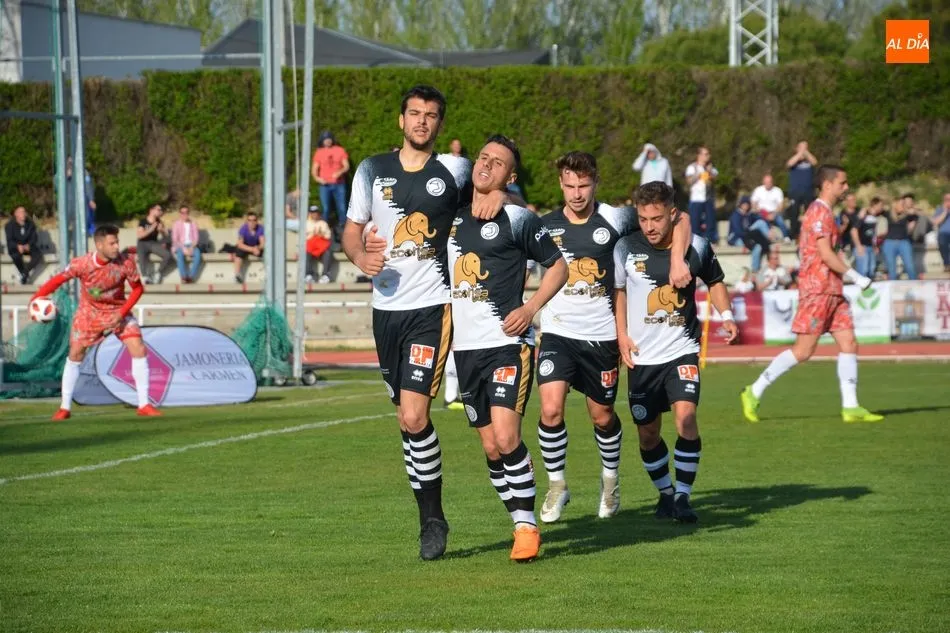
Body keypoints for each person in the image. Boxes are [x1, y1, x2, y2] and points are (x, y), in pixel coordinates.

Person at [342, 84, 513, 561]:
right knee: (406, 420)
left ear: (439, 124)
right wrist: (361, 258)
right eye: (414, 113)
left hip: (432, 308)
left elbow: (492, 182)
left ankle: (432, 520)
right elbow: (352, 232)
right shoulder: (372, 170)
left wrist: (497, 192)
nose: (422, 121)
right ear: (401, 120)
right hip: (385, 311)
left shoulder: (455, 170)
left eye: (431, 115)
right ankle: (431, 515)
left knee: (415, 414)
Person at [534, 151, 692, 525]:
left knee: (602, 416)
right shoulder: (544, 224)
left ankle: (610, 479)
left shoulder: (616, 217)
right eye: (570, 185)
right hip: (558, 332)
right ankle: (557, 484)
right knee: (551, 409)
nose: (576, 194)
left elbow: (680, 218)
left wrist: (678, 258)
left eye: (584, 186)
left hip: (602, 337)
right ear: (561, 184)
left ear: (596, 183)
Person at [448, 135, 567, 561]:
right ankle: (518, 509)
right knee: (491, 448)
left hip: (507, 344)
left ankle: (526, 526)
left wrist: (532, 306)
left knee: (506, 434)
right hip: (465, 350)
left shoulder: (520, 218)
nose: (486, 166)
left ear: (510, 176)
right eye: (483, 158)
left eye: (498, 164)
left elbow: (559, 267)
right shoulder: (452, 214)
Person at [614, 181, 737, 523]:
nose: (649, 226)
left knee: (686, 419)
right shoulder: (625, 247)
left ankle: (683, 496)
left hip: (681, 351)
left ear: (672, 214)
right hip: (641, 357)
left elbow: (715, 281)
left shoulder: (695, 247)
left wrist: (726, 316)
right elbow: (619, 293)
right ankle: (665, 494)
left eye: (656, 218)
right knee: (648, 432)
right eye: (643, 219)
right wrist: (621, 336)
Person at [741, 165, 883, 424]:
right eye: (843, 182)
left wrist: (846, 275)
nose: (846, 187)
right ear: (828, 184)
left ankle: (850, 407)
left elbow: (833, 252)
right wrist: (856, 276)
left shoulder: (829, 213)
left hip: (833, 290)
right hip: (817, 289)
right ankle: (754, 391)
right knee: (804, 351)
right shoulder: (818, 212)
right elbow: (826, 254)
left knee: (849, 343)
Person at [30, 225, 160, 420]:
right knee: (75, 355)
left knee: (138, 348)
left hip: (118, 311)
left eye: (117, 242)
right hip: (89, 313)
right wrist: (36, 297)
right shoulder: (81, 264)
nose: (117, 246)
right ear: (99, 245)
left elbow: (138, 289)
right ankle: (64, 408)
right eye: (112, 243)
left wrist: (121, 313)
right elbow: (58, 280)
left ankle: (144, 404)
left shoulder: (126, 263)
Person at [311, 131, 350, 235]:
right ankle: (325, 229)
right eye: (325, 139)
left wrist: (339, 172)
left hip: (339, 184)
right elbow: (314, 170)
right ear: (322, 141)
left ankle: (344, 229)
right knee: (326, 208)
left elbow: (346, 166)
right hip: (325, 185)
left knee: (342, 207)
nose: (328, 141)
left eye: (329, 138)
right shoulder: (319, 152)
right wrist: (318, 179)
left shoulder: (340, 150)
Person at [727, 195, 772, 272]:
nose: (746, 206)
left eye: (747, 204)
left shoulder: (749, 214)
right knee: (757, 247)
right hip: (736, 238)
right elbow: (738, 231)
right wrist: (750, 238)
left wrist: (770, 227)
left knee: (760, 223)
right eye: (744, 204)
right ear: (740, 204)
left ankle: (769, 238)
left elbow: (760, 219)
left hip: (747, 235)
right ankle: (755, 270)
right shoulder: (736, 215)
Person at [684, 146, 719, 243]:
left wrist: (708, 171)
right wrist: (698, 175)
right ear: (699, 155)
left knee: (710, 221)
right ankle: (695, 242)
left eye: (708, 154)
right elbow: (689, 181)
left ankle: (710, 241)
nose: (708, 156)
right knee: (695, 222)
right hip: (696, 199)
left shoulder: (711, 168)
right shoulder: (692, 167)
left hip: (708, 198)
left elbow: (715, 178)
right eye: (706, 154)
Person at [785, 140, 818, 240]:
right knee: (794, 214)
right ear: (797, 148)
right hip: (795, 192)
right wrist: (800, 153)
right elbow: (789, 164)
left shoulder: (809, 161)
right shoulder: (794, 161)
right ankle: (793, 235)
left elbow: (815, 162)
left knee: (810, 214)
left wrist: (806, 152)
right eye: (801, 147)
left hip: (808, 192)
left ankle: (811, 234)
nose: (804, 150)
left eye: (806, 147)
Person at [5, 205, 44, 284]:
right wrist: (18, 246)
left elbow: (34, 238)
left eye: (24, 212)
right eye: (21, 212)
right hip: (16, 247)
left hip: (28, 246)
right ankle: (24, 276)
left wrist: (28, 245)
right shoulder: (9, 225)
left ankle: (24, 273)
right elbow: (9, 240)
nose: (24, 214)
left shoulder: (30, 224)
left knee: (38, 255)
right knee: (15, 255)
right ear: (16, 214)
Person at [881, 195, 917, 280]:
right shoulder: (888, 213)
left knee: (910, 266)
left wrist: (911, 210)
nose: (903, 205)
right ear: (895, 204)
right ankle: (891, 288)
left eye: (904, 204)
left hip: (903, 242)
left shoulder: (907, 215)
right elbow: (878, 210)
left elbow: (914, 218)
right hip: (889, 242)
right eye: (901, 204)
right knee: (891, 269)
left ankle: (915, 285)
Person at [136, 204, 173, 284]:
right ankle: (144, 276)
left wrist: (162, 230)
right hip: (142, 243)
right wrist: (151, 229)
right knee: (142, 259)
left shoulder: (159, 222)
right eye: (158, 210)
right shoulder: (143, 221)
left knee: (168, 255)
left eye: (161, 210)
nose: (160, 212)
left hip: (153, 243)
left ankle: (157, 273)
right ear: (151, 210)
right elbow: (139, 235)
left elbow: (167, 236)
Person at [850, 197, 884, 279]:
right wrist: (858, 246)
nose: (882, 208)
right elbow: (853, 230)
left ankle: (869, 290)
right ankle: (860, 290)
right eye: (880, 205)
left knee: (871, 270)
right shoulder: (864, 213)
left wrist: (875, 246)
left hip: (870, 247)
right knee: (863, 271)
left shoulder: (875, 217)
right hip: (862, 246)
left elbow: (873, 233)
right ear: (874, 205)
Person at [750, 173, 790, 241]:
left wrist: (774, 214)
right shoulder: (758, 190)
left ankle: (786, 237)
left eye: (769, 182)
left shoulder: (777, 190)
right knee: (757, 218)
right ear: (763, 182)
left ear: (772, 182)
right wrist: (756, 209)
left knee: (780, 221)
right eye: (766, 182)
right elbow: (753, 202)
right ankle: (767, 236)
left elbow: (780, 205)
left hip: (774, 212)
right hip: (761, 212)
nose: (768, 184)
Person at [171, 205, 201, 283]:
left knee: (198, 254)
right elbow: (175, 239)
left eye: (186, 212)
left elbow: (196, 238)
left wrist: (191, 247)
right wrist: (183, 248)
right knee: (180, 254)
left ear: (188, 213)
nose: (185, 214)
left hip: (191, 245)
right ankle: (183, 276)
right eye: (183, 213)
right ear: (180, 214)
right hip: (180, 245)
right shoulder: (176, 224)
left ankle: (190, 276)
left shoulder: (193, 224)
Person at [232, 212, 265, 284]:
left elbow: (263, 243)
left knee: (268, 252)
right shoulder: (243, 229)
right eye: (250, 220)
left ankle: (268, 274)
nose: (252, 222)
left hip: (257, 247)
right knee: (239, 251)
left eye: (254, 220)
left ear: (257, 221)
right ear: (247, 221)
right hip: (247, 247)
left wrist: (258, 248)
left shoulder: (260, 228)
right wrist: (252, 249)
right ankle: (237, 275)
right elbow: (240, 244)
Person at [304, 206, 333, 283]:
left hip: (321, 247)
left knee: (328, 253)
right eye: (312, 213)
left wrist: (321, 234)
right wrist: (312, 234)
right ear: (310, 214)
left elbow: (328, 236)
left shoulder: (323, 223)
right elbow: (302, 238)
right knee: (305, 253)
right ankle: (308, 275)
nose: (314, 215)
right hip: (310, 246)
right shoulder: (306, 223)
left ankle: (325, 275)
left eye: (316, 213)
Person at [932, 192, 950, 272]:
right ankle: (947, 264)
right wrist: (945, 212)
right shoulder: (939, 209)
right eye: (947, 199)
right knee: (942, 242)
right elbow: (935, 222)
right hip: (943, 233)